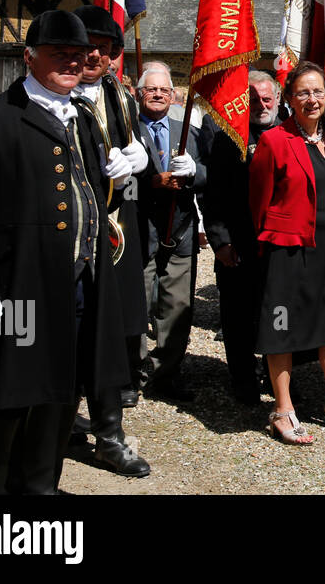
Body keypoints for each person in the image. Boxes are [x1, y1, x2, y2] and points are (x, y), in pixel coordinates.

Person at [0, 10, 131, 493]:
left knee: (61, 393)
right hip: (19, 287)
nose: (73, 63)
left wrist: (124, 175)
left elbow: (91, 196)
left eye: (79, 55)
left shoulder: (85, 120)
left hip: (79, 284)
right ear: (30, 57)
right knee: (9, 396)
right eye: (60, 55)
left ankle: (40, 486)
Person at [249, 62, 325, 444]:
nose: (312, 99)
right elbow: (258, 202)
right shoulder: (274, 141)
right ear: (290, 99)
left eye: (318, 91)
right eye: (303, 92)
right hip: (289, 250)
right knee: (281, 328)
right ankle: (282, 410)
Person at [69, 5, 151, 477]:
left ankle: (109, 434)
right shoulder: (56, 97)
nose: (96, 55)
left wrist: (139, 155)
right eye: (88, 45)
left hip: (116, 231)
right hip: (71, 237)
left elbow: (134, 142)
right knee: (68, 334)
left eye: (105, 47)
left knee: (110, 335)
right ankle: (57, 420)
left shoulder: (120, 96)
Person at [198, 70, 282, 405]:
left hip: (277, 249)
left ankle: (279, 382)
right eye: (254, 99)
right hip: (239, 246)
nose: (261, 105)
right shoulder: (227, 137)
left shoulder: (292, 135)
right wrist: (220, 241)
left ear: (276, 99)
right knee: (238, 318)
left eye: (267, 98)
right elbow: (214, 194)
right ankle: (243, 381)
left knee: (278, 316)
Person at [135, 62, 207, 402]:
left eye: (164, 90)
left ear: (174, 96)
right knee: (134, 305)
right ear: (138, 94)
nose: (159, 94)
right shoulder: (126, 130)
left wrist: (195, 173)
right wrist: (149, 182)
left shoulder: (188, 132)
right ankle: (130, 374)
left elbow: (210, 174)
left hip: (180, 230)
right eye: (151, 89)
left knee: (177, 307)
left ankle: (166, 375)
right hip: (138, 231)